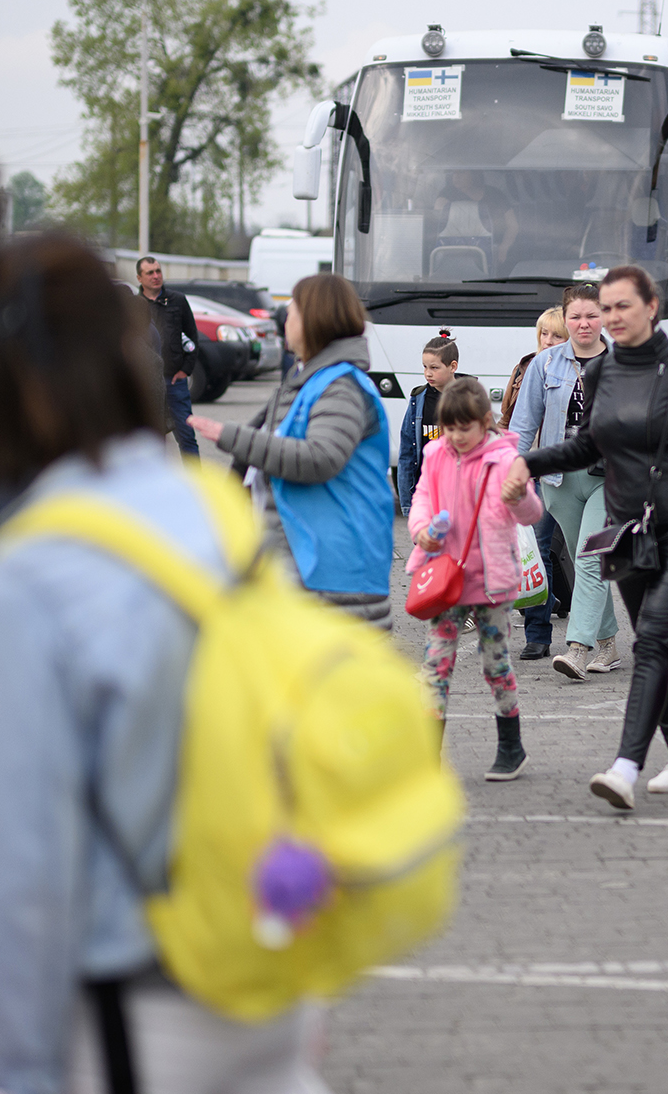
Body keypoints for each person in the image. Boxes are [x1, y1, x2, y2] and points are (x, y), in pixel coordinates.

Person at [0, 232, 340, 1094]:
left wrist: (20, 1075)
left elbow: (23, 858)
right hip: (261, 969)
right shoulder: (200, 511)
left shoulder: (34, 572)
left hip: (129, 1001)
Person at [504, 266, 668, 811]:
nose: (611, 317)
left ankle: (625, 767)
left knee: (655, 637)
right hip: (627, 527)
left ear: (652, 307)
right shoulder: (603, 374)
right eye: (603, 308)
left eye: (621, 307)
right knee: (656, 642)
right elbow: (589, 446)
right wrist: (528, 460)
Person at [189, 273, 393, 629]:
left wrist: (232, 436)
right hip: (304, 569)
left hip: (332, 576)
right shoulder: (309, 380)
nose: (285, 318)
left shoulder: (340, 386)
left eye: (293, 310)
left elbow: (320, 458)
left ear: (316, 319)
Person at [406, 376, 546, 777]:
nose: (456, 436)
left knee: (495, 662)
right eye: (449, 428)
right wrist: (421, 531)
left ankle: (511, 747)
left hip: (491, 583)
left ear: (485, 421)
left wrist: (519, 496)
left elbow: (532, 515)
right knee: (436, 665)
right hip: (445, 578)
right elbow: (422, 498)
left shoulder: (505, 460)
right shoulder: (435, 454)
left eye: (464, 427)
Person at [508, 284, 622, 680]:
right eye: (575, 316)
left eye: (591, 315)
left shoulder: (625, 362)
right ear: (565, 317)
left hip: (611, 479)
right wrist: (515, 472)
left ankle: (577, 647)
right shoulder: (545, 364)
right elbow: (524, 425)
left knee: (591, 556)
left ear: (604, 316)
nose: (583, 324)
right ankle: (607, 643)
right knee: (582, 558)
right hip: (558, 479)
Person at [501, 307, 572, 659]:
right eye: (544, 334)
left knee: (579, 552)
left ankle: (587, 635)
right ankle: (538, 633)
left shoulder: (577, 371)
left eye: (556, 335)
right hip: (536, 475)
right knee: (535, 552)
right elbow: (513, 420)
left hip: (572, 473)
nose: (548, 341)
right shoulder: (525, 368)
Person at [135, 255, 203, 456]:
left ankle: (194, 484)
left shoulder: (177, 301)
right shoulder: (135, 304)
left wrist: (185, 370)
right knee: (152, 439)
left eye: (158, 271)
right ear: (139, 278)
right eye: (150, 273)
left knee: (186, 437)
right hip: (148, 384)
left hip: (174, 381)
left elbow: (192, 337)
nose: (156, 276)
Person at [396, 332, 460, 513]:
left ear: (452, 366)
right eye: (425, 367)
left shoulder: (468, 397)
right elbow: (407, 452)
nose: (428, 373)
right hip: (427, 491)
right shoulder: (418, 399)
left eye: (434, 367)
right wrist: (408, 503)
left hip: (459, 493)